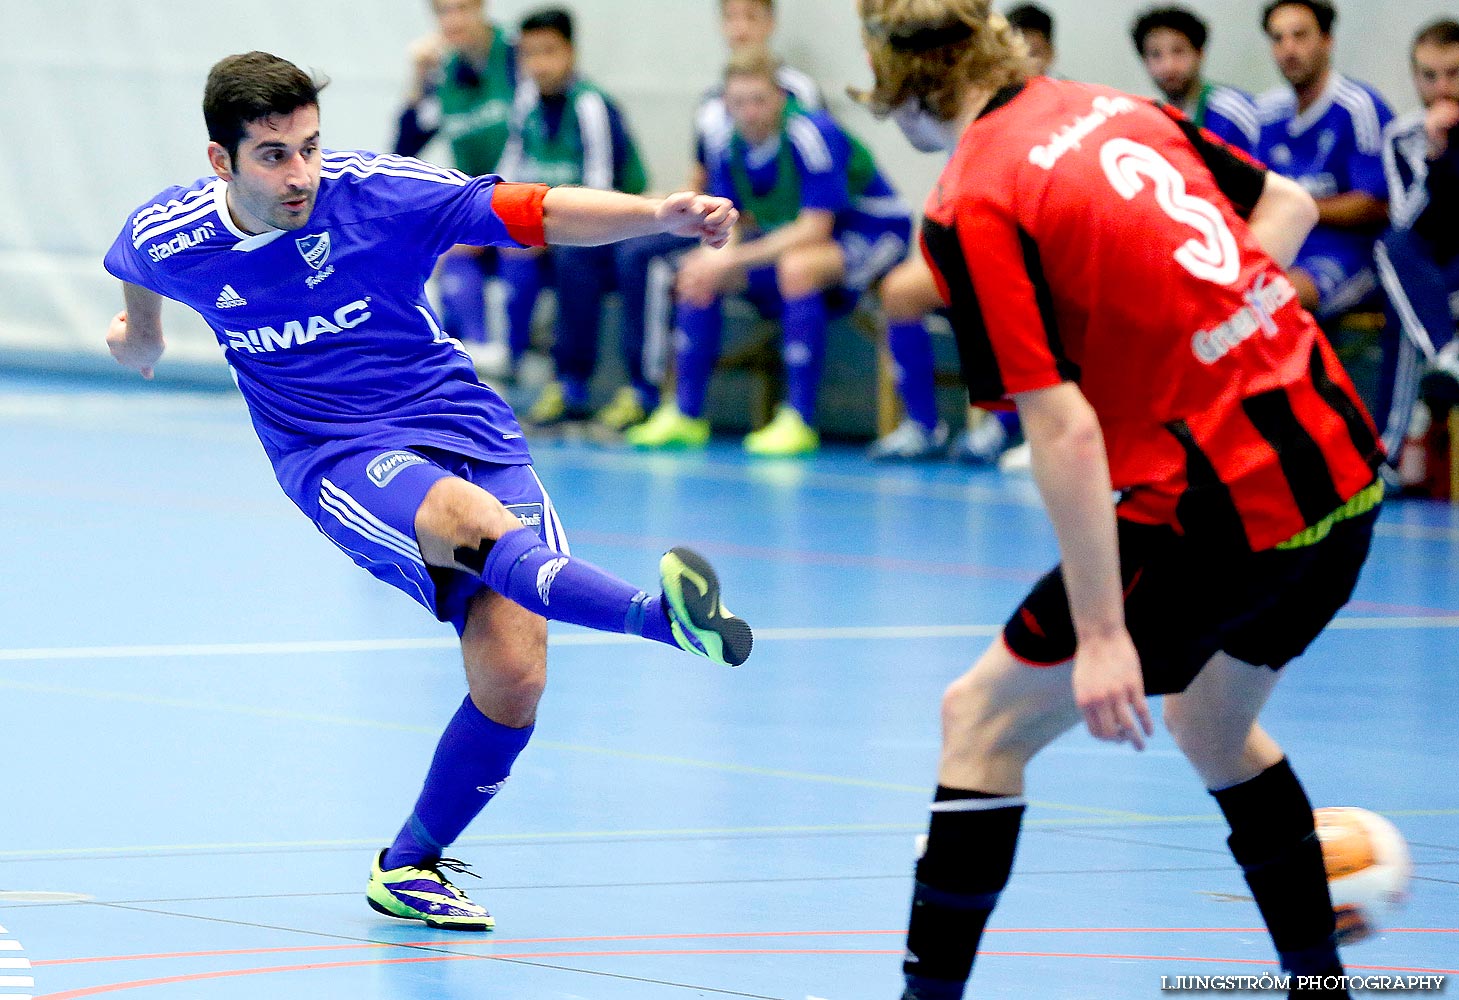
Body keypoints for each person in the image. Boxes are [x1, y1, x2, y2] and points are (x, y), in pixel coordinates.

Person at [103, 51, 752, 932]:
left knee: (514, 675)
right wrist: (139, 339)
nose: (301, 175)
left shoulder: (377, 193)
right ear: (222, 162)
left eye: (310, 147)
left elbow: (532, 211)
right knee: (467, 520)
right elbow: (136, 271)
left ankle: (406, 867)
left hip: (462, 420)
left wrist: (655, 216)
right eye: (274, 155)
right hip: (332, 450)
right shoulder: (171, 232)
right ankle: (658, 618)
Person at [854, 3, 1385, 999]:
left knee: (978, 721)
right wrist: (1203, 338)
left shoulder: (972, 200)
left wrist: (1102, 633)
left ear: (901, 79)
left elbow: (1061, 431)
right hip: (1341, 469)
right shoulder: (1110, 107)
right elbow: (1288, 210)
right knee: (1213, 723)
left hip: (1219, 507)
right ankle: (1321, 985)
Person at [628, 49, 911, 456]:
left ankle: (800, 419)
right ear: (726, 103)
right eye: (738, 102)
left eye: (759, 100)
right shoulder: (726, 145)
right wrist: (715, 260)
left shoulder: (810, 133)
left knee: (797, 268)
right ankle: (686, 415)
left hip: (874, 232)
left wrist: (734, 259)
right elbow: (731, 224)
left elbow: (816, 229)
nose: (749, 112)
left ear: (779, 97)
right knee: (698, 274)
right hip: (799, 243)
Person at [611, 0, 825, 434]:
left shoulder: (801, 105)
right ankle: (668, 405)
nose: (740, 28)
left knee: (673, 267)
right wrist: (655, 209)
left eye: (751, 17)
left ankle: (655, 391)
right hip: (728, 220)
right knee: (644, 253)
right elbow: (705, 180)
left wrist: (735, 248)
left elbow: (810, 198)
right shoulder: (716, 106)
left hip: (788, 231)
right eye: (731, 17)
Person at [489, 8, 654, 428]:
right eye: (529, 54)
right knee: (501, 252)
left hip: (612, 229)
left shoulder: (591, 106)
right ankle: (508, 370)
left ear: (571, 53)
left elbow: (599, 195)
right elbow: (507, 179)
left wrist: (541, 232)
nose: (538, 64)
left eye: (549, 51)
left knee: (574, 259)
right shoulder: (525, 105)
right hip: (551, 226)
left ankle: (572, 382)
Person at [1256, 0, 1395, 320]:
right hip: (1282, 248)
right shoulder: (1266, 112)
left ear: (1327, 40)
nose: (1288, 49)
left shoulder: (1359, 106)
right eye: (1278, 39)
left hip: (1349, 255)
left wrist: (1296, 206)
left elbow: (1377, 204)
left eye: (1300, 35)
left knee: (1273, 301)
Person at [1374, 19, 1459, 460]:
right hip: (1431, 269)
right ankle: (1449, 356)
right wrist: (1433, 152)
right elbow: (1404, 220)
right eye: (1429, 75)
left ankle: (1386, 454)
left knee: (1405, 311)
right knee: (1390, 246)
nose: (1442, 86)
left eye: (1453, 73)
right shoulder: (1403, 135)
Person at [1131, 5, 1261, 153]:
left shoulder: (1232, 110)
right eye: (1155, 54)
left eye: (1178, 51)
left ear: (1199, 53)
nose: (1168, 66)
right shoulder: (1154, 123)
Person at [1005, 3, 1055, 78]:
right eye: (1015, 54)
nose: (1024, 64)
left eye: (1032, 54)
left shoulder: (1066, 89)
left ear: (1050, 54)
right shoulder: (990, 88)